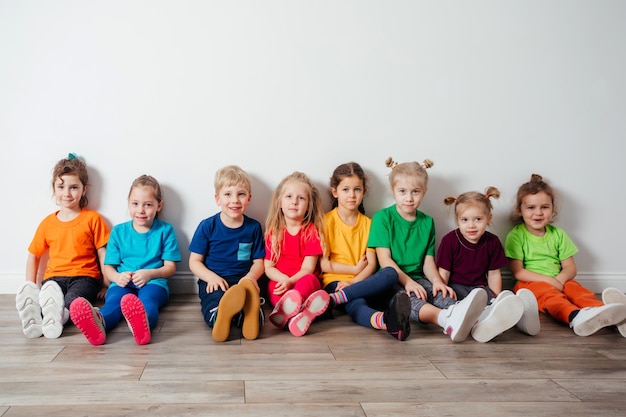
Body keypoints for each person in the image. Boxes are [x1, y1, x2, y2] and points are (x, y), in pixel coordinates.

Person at [367, 157, 488, 343]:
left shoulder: (427, 222)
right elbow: (385, 261)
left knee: (441, 294)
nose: (409, 198)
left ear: (424, 191)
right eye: (402, 191)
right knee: (409, 301)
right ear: (392, 191)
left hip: (418, 278)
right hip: (389, 280)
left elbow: (428, 262)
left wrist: (438, 281)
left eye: (415, 192)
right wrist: (407, 283)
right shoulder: (383, 218)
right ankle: (445, 320)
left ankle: (479, 320)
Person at [505, 174, 626, 336]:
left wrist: (560, 280)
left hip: (559, 279)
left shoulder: (558, 234)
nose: (538, 213)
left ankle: (604, 312)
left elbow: (570, 267)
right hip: (529, 283)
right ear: (520, 210)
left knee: (577, 290)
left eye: (544, 207)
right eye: (531, 207)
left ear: (552, 209)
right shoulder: (517, 235)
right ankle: (575, 316)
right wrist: (549, 281)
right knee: (551, 297)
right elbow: (518, 272)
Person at [69, 175, 180, 345]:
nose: (141, 210)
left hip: (153, 284)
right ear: (129, 203)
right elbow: (109, 268)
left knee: (148, 300)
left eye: (148, 205)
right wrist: (116, 278)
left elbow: (170, 268)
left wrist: (149, 274)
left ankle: (142, 323)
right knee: (114, 303)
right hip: (122, 283)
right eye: (135, 204)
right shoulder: (119, 232)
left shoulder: (165, 230)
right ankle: (99, 322)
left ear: (159, 205)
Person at [15, 153, 109, 339]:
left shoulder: (92, 219)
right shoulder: (47, 223)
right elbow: (33, 255)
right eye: (61, 187)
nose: (67, 193)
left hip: (84, 278)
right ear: (54, 189)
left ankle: (61, 316)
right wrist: (30, 286)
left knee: (72, 302)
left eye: (73, 187)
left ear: (84, 190)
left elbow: (103, 253)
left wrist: (108, 285)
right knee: (48, 299)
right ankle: (40, 315)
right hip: (53, 278)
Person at [321, 162, 410, 341]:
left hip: (360, 282)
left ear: (364, 191)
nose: (352, 195)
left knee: (391, 273)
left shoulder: (369, 224)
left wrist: (353, 282)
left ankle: (338, 300)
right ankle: (383, 320)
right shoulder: (325, 221)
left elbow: (372, 263)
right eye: (345, 189)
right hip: (334, 282)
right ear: (334, 192)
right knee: (357, 303)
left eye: (357, 189)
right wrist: (352, 271)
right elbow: (323, 264)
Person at [438, 187, 539, 343]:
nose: (471, 225)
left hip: (480, 288)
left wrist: (496, 296)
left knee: (490, 300)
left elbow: (493, 274)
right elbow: (443, 273)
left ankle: (518, 315)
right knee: (458, 306)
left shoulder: (492, 242)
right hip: (457, 288)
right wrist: (443, 291)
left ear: (488, 218)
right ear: (457, 220)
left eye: (478, 219)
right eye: (465, 220)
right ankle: (484, 320)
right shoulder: (449, 241)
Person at [189, 166, 265, 342]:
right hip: (216, 281)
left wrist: (251, 277)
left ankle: (249, 316)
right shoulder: (207, 226)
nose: (235, 200)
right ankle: (220, 317)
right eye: (228, 194)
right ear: (217, 199)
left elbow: (259, 261)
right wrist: (210, 277)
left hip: (243, 280)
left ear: (249, 198)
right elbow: (194, 261)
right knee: (214, 301)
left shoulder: (253, 227)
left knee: (251, 300)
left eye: (241, 194)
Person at [265, 171, 330, 337]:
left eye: (301, 198)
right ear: (279, 202)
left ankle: (291, 310)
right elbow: (269, 267)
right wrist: (283, 281)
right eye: (289, 196)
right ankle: (299, 314)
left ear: (308, 206)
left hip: (302, 281)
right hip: (282, 280)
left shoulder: (311, 231)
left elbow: (308, 268)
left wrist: (292, 282)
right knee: (273, 287)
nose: (294, 202)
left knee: (311, 279)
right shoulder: (274, 232)